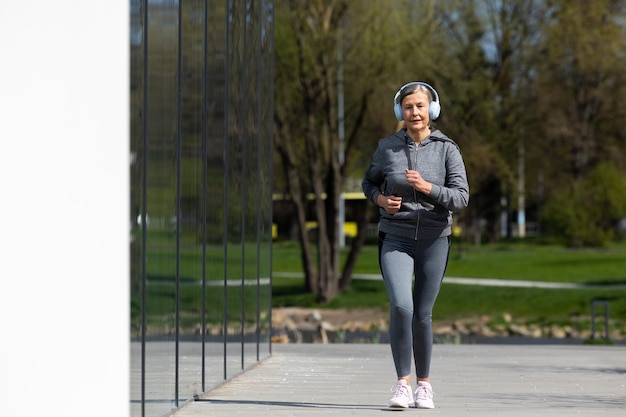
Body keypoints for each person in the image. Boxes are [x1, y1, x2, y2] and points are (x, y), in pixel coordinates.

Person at [361, 81, 469, 409]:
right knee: (401, 306)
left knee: (422, 315)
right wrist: (381, 199)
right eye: (408, 107)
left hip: (435, 241)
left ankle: (424, 385)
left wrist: (428, 188)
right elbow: (368, 182)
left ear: (431, 110)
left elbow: (461, 197)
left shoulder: (448, 149)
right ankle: (401, 384)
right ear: (400, 112)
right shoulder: (387, 148)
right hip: (395, 238)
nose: (415, 112)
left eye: (420, 106)